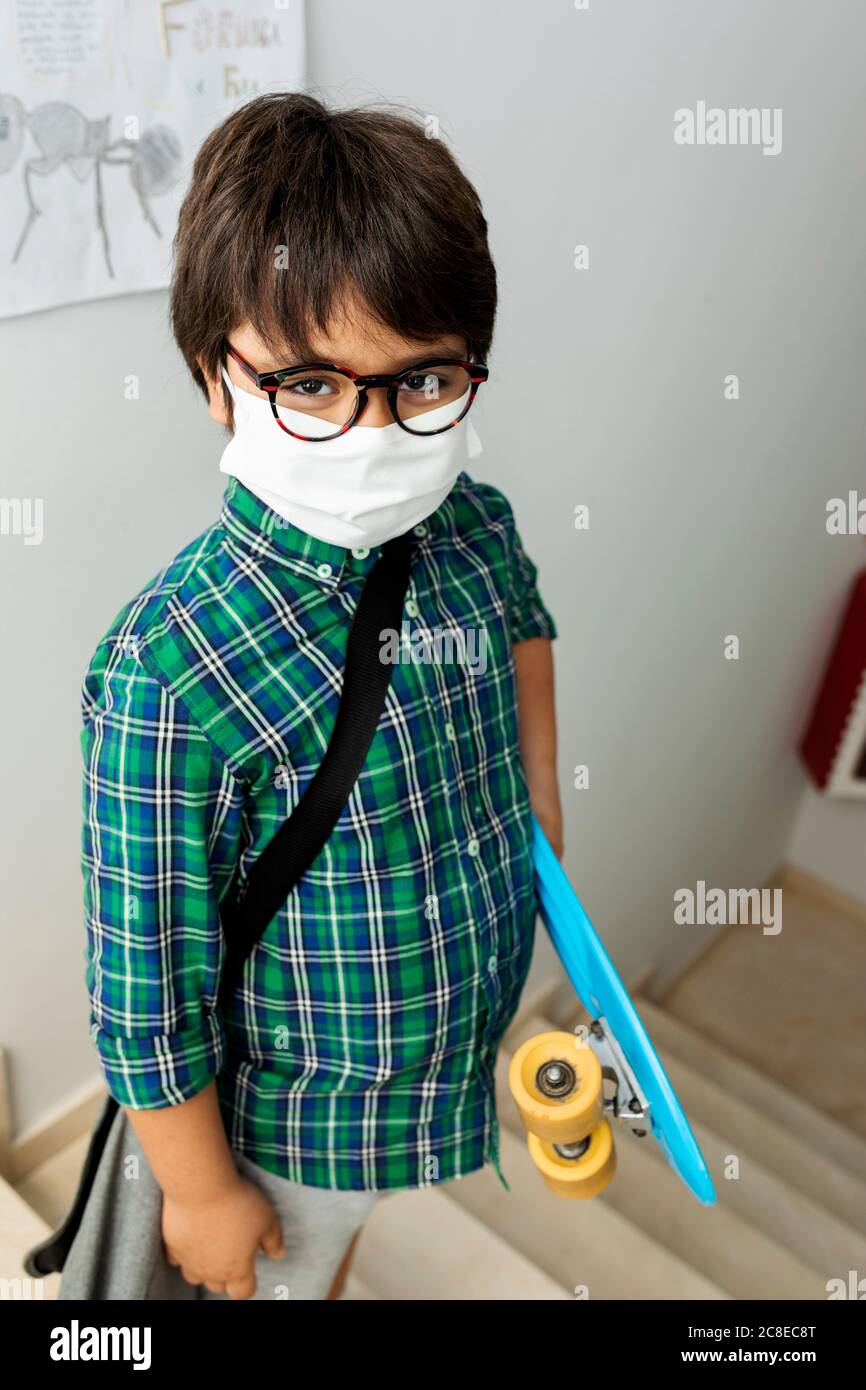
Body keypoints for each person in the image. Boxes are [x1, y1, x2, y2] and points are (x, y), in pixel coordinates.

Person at [78, 92, 561, 1301]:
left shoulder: (472, 528)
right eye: (308, 384)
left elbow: (526, 637)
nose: (371, 431)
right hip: (290, 1125)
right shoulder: (166, 671)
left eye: (420, 382)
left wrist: (540, 820)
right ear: (214, 378)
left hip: (446, 1054)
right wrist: (198, 1189)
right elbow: (146, 986)